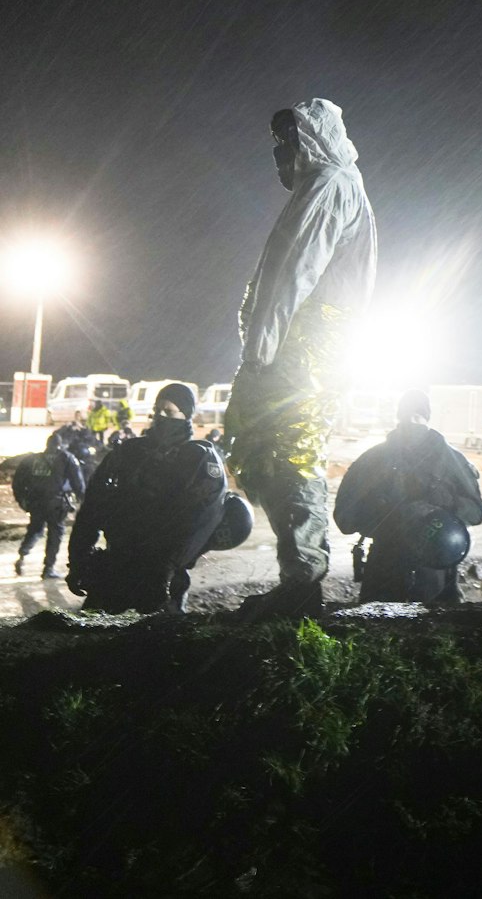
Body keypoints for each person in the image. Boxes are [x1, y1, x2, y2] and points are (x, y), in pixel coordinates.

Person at [225, 99, 378, 620]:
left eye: (285, 143)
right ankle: (298, 575)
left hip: (305, 345)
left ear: (307, 141)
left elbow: (294, 272)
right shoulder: (327, 187)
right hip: (300, 342)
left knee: (290, 451)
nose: (278, 155)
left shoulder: (330, 186)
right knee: (256, 444)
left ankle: (303, 583)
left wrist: (261, 350)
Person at [65, 384, 228, 614]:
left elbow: (200, 519)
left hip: (162, 573)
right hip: (117, 563)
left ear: (186, 415)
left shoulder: (198, 459)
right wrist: (79, 559)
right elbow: (93, 505)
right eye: (157, 410)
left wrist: (167, 567)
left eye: (169, 412)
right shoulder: (129, 452)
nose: (161, 417)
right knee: (92, 634)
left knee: (157, 641)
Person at [333, 389, 482, 603]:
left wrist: (394, 519)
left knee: (381, 633)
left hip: (391, 572)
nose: (413, 423)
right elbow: (476, 512)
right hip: (423, 575)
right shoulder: (453, 460)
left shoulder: (372, 459)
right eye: (410, 416)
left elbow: (345, 519)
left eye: (416, 416)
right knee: (433, 634)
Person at [11, 435, 85, 579]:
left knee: (35, 529)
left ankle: (22, 554)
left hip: (36, 502)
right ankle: (48, 568)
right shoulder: (66, 458)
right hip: (56, 504)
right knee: (55, 533)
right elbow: (78, 483)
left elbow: (18, 482)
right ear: (60, 444)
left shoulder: (32, 459)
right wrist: (83, 501)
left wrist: (23, 501)